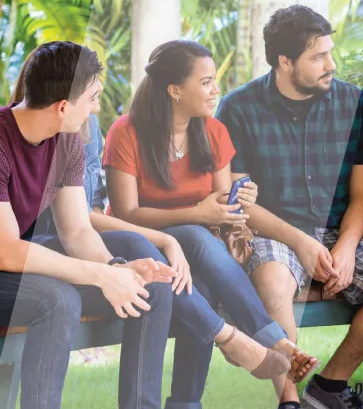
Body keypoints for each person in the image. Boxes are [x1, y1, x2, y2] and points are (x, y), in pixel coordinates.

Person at [0, 41, 176, 409]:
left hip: (7, 261)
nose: (97, 107)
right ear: (63, 107)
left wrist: (114, 269)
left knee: (148, 288)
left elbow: (77, 230)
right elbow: (6, 253)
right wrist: (98, 276)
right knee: (56, 301)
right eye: (93, 97)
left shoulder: (68, 142)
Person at [214, 5, 363, 409]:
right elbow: (237, 203)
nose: (332, 64)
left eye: (330, 52)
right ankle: (289, 401)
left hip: (336, 231)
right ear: (284, 61)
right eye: (318, 57)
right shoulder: (238, 109)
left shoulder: (353, 102)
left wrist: (345, 248)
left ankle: (328, 388)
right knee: (275, 282)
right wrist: (301, 243)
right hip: (270, 231)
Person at [102, 39, 324, 408]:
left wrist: (236, 218)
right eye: (205, 82)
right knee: (194, 234)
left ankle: (188, 403)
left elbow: (222, 208)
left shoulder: (212, 131)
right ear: (175, 90)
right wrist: (199, 215)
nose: (215, 89)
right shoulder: (126, 132)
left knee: (202, 286)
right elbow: (125, 213)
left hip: (198, 253)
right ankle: (273, 339)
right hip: (136, 243)